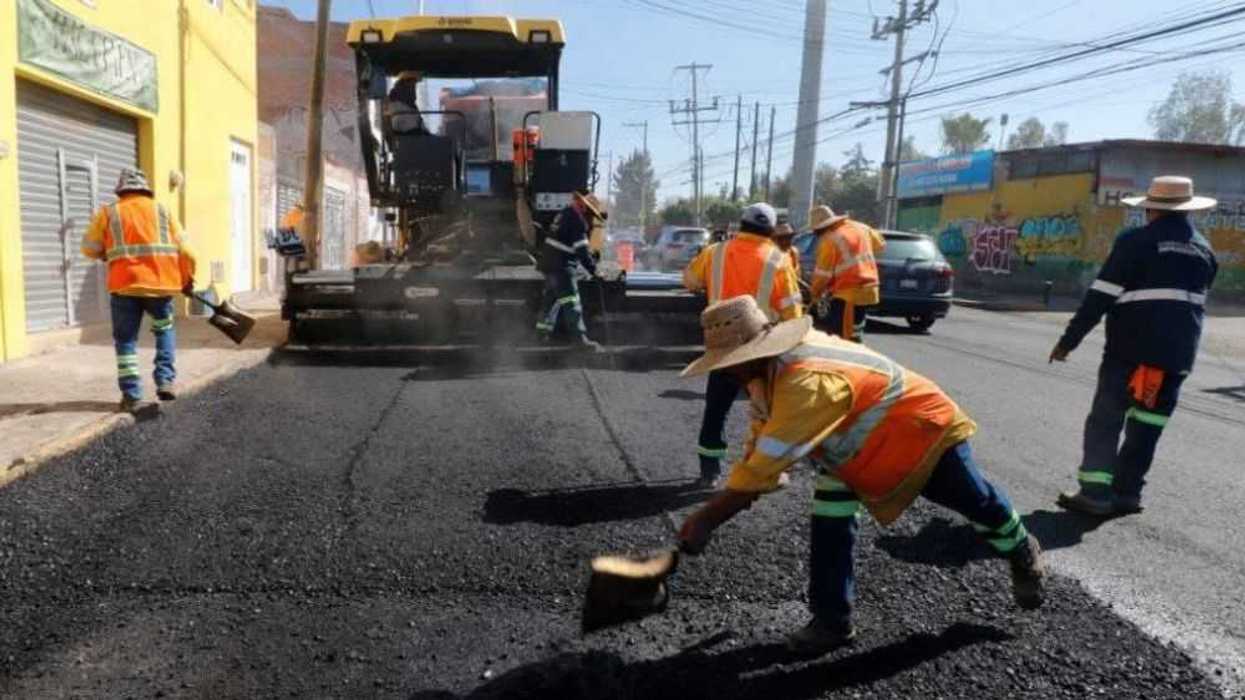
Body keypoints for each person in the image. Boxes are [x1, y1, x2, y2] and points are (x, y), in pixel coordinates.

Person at [676, 295, 1046, 654]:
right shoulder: (762, 376)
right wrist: (748, 484)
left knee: (978, 502)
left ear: (753, 353)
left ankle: (1021, 549)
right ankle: (832, 621)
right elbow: (761, 444)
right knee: (829, 526)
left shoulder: (806, 379)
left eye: (728, 362)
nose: (724, 371)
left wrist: (707, 518)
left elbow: (766, 463)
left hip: (922, 433)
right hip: (850, 455)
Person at [1050, 175, 1218, 517]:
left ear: (1151, 208)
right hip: (1177, 357)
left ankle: (1095, 493)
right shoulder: (1205, 250)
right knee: (1147, 425)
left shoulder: (1135, 242)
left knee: (1107, 419)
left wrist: (1069, 341)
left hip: (1130, 352)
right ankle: (1127, 494)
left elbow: (1100, 297)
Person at [683, 203, 802, 485]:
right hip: (762, 347)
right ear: (771, 230)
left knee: (716, 409)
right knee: (766, 411)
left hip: (723, 345)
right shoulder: (779, 259)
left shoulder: (716, 252)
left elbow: (689, 280)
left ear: (742, 225)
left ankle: (709, 472)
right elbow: (792, 310)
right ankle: (760, 470)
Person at [81, 168, 196, 413]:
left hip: (125, 287)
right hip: (161, 287)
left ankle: (132, 395)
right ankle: (165, 380)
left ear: (121, 190)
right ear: (146, 189)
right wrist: (187, 280)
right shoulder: (163, 210)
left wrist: (105, 253)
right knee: (164, 330)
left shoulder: (108, 212)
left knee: (126, 341)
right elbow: (187, 252)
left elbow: (89, 248)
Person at [536, 191, 607, 349]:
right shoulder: (577, 221)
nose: (589, 216)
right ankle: (580, 339)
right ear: (584, 207)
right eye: (589, 212)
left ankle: (541, 334)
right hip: (561, 267)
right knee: (571, 301)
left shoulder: (564, 214)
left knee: (551, 301)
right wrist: (595, 271)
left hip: (549, 264)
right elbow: (582, 252)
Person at [808, 205, 885, 342]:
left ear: (821, 228)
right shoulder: (861, 227)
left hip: (849, 292)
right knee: (856, 329)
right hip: (869, 289)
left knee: (842, 336)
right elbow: (880, 244)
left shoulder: (829, 240)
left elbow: (822, 276)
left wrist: (814, 295)